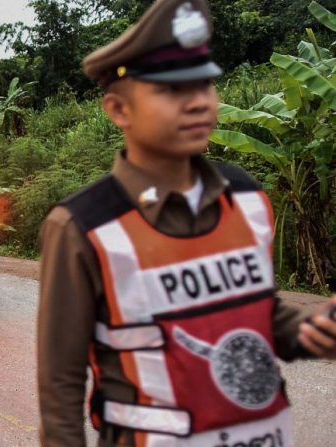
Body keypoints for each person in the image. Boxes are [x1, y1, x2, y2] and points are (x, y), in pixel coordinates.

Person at [37, 1, 336, 446]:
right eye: (173, 91)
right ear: (119, 109)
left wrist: (311, 331)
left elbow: (255, 315)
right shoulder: (85, 226)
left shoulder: (247, 197)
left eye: (205, 85)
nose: (198, 102)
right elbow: (60, 385)